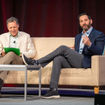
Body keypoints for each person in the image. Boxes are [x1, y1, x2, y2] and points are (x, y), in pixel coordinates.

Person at [22, 13, 105, 98]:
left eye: (86, 20)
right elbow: (78, 51)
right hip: (77, 60)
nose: (84, 23)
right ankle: (53, 90)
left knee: (62, 48)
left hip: (87, 61)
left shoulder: (99, 35)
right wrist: (72, 51)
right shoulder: (78, 36)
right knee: (58, 58)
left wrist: (89, 44)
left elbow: (99, 51)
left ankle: (37, 63)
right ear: (80, 24)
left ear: (91, 21)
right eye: (81, 21)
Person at [0, 17, 36, 96]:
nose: (12, 29)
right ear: (7, 28)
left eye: (14, 27)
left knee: (11, 53)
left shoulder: (26, 36)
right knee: (6, 64)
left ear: (18, 26)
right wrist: (1, 53)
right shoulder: (2, 37)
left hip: (19, 60)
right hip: (5, 60)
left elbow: (33, 52)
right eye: (10, 27)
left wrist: (20, 53)